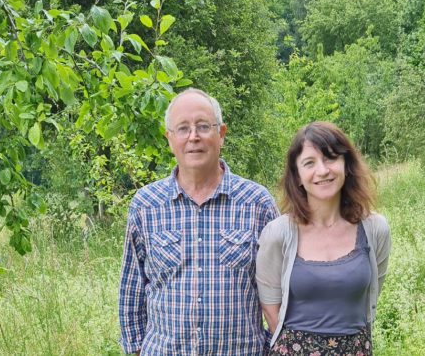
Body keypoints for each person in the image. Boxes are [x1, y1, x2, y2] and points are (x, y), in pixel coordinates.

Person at [119, 88, 279, 355]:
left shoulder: (257, 203)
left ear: (221, 134)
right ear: (169, 139)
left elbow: (280, 291)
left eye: (203, 126)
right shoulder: (146, 205)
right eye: (182, 128)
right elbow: (132, 292)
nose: (193, 136)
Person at [256, 121, 391, 355]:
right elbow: (271, 308)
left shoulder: (374, 229)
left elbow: (371, 294)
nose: (322, 170)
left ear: (346, 164)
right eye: (309, 163)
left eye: (330, 158)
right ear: (297, 176)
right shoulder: (278, 233)